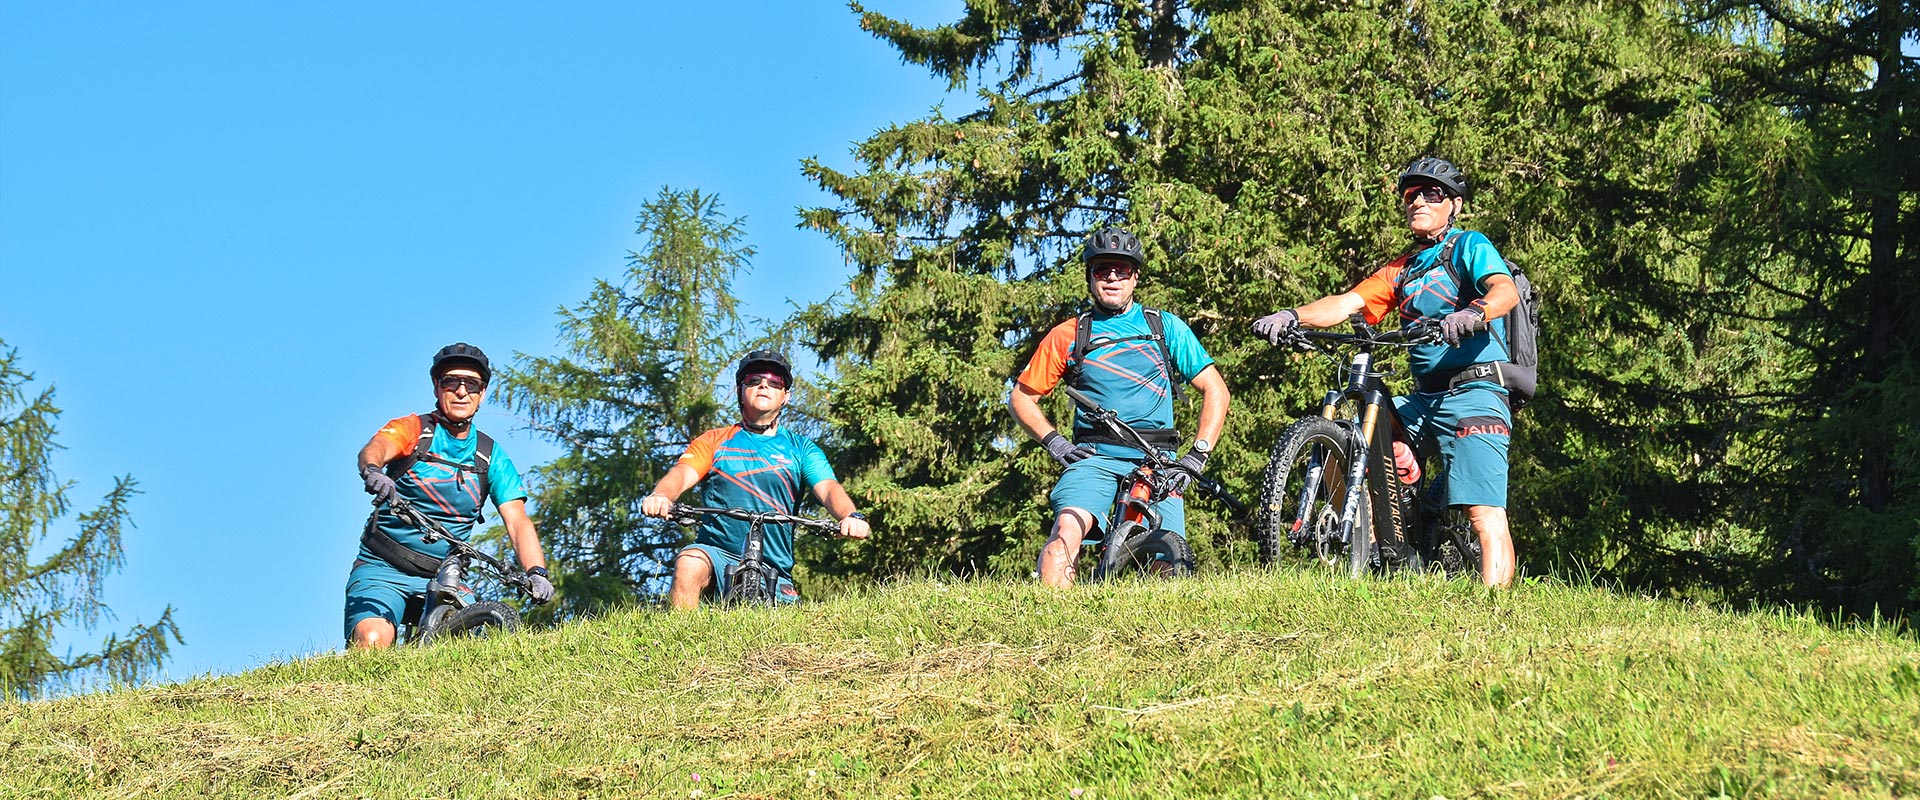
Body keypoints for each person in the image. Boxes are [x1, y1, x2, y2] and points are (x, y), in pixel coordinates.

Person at [1252, 156, 1520, 587]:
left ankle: (1495, 612)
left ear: (1454, 204)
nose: (1417, 201)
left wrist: (1475, 312)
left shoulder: (1469, 245)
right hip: (1424, 396)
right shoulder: (1404, 268)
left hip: (1476, 391)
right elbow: (1347, 303)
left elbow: (1503, 290)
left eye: (1430, 193)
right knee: (1369, 436)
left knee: (1483, 513)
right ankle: (1381, 541)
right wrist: (1291, 316)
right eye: (1410, 194)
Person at [1009, 226, 1231, 587]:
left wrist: (1197, 456)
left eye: (1122, 270)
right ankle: (1051, 632)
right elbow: (1021, 396)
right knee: (1067, 529)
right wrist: (1055, 442)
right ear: (1089, 276)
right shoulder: (1071, 333)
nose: (1112, 277)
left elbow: (1215, 390)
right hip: (1094, 457)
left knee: (1169, 563)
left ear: (1135, 277)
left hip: (1158, 462)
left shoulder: (1164, 327)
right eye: (1102, 270)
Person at [347, 343, 553, 648]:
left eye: (471, 385)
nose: (461, 391)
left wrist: (536, 572)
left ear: (482, 394)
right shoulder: (413, 430)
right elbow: (375, 448)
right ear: (436, 387)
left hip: (446, 576)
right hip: (382, 567)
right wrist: (374, 470)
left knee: (473, 651)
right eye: (451, 382)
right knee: (374, 638)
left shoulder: (489, 456)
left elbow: (518, 520)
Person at [640, 350, 871, 609]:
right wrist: (661, 496)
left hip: (774, 564)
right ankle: (683, 641)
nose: (764, 385)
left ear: (786, 396)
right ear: (740, 390)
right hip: (716, 553)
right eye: (754, 380)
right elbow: (682, 474)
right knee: (689, 562)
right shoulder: (714, 441)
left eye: (775, 382)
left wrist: (850, 516)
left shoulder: (801, 449)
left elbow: (828, 488)